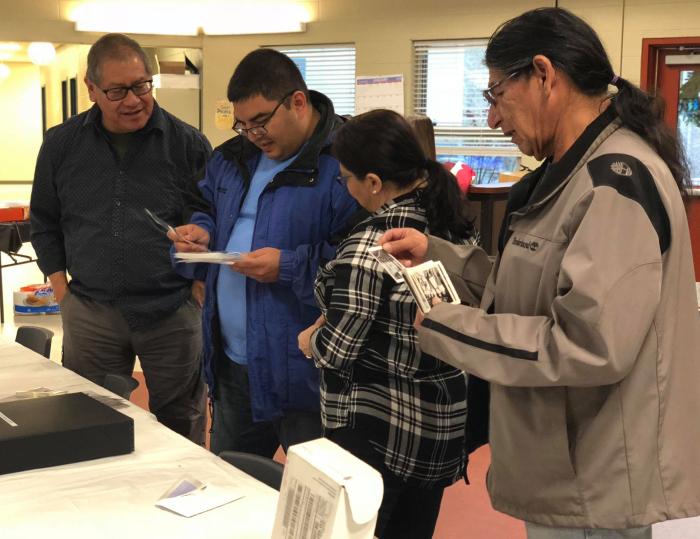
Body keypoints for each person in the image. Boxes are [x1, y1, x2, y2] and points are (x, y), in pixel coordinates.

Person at [380, 7, 700, 539]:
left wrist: (447, 325)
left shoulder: (613, 181)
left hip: (597, 475)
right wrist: (437, 255)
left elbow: (586, 343)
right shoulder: (569, 171)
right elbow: (531, 283)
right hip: (566, 464)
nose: (492, 119)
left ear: (545, 75)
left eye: (496, 95)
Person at [297, 109, 489, 538]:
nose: (343, 186)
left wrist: (310, 339)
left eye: (346, 176)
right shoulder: (450, 227)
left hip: (378, 437)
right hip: (439, 426)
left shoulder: (371, 244)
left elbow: (338, 349)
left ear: (374, 183)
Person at [170, 49, 358, 457]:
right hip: (234, 364)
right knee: (232, 491)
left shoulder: (347, 160)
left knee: (319, 505)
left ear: (298, 102)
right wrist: (200, 232)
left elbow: (359, 262)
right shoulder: (231, 157)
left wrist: (288, 266)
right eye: (244, 124)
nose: (254, 134)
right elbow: (202, 205)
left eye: (262, 121)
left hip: (309, 375)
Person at [30, 33, 211, 444]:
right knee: (88, 421)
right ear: (91, 89)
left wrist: (198, 287)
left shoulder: (188, 144)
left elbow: (210, 219)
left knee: (180, 426)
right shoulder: (61, 144)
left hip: (171, 310)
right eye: (117, 91)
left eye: (142, 85)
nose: (133, 100)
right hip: (91, 310)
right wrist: (62, 292)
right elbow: (44, 221)